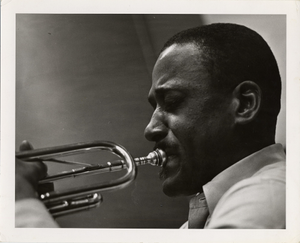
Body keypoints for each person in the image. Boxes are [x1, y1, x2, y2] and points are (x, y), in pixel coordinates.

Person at [15, 23, 285, 228]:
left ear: (244, 104)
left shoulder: (267, 197)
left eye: (172, 101)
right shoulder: (212, 216)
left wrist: (23, 207)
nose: (150, 129)